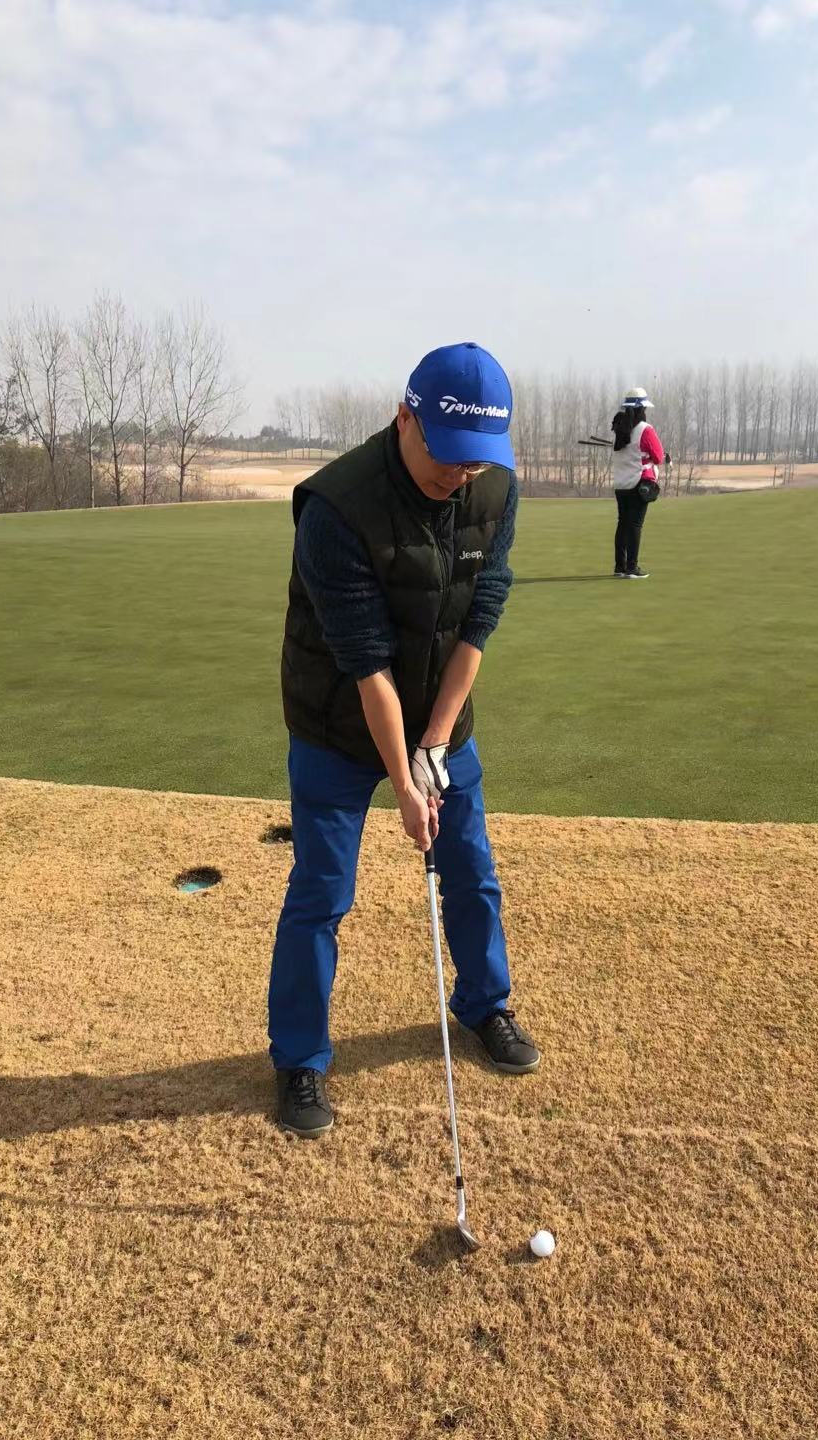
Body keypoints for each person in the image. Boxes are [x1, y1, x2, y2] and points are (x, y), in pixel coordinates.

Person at [268, 342, 541, 1137]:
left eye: (474, 460)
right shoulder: (335, 508)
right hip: (337, 719)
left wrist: (438, 741)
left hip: (439, 719)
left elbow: (480, 616)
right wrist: (405, 780)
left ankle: (485, 1005)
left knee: (472, 869)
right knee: (321, 892)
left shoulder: (495, 489)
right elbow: (366, 663)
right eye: (446, 455)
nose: (459, 475)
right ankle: (299, 1059)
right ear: (404, 419)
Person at [611, 386, 666, 579]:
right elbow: (658, 457)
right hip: (639, 484)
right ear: (642, 409)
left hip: (621, 486)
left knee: (623, 524)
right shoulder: (645, 429)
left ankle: (620, 567)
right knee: (635, 525)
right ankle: (632, 568)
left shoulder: (620, 428)